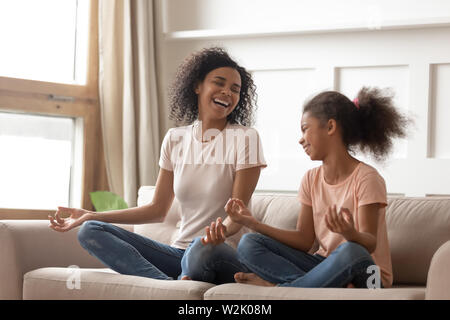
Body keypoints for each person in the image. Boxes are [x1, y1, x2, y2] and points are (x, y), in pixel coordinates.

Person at [48, 47, 266, 282]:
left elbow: (238, 214)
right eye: (219, 83)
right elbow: (157, 209)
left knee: (200, 248)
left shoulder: (245, 138)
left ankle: (177, 285)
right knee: (91, 230)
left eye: (235, 89)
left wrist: (219, 233)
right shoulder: (175, 138)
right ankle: (171, 288)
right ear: (197, 86)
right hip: (179, 253)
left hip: (219, 252)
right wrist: (91, 215)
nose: (227, 93)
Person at [224, 87, 410, 288]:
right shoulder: (310, 179)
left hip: (370, 275)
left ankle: (282, 288)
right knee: (249, 243)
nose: (300, 139)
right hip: (326, 265)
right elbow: (304, 240)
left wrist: (350, 233)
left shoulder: (367, 178)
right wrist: (254, 223)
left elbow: (369, 243)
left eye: (305, 128)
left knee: (351, 250)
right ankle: (316, 285)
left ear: (330, 127)